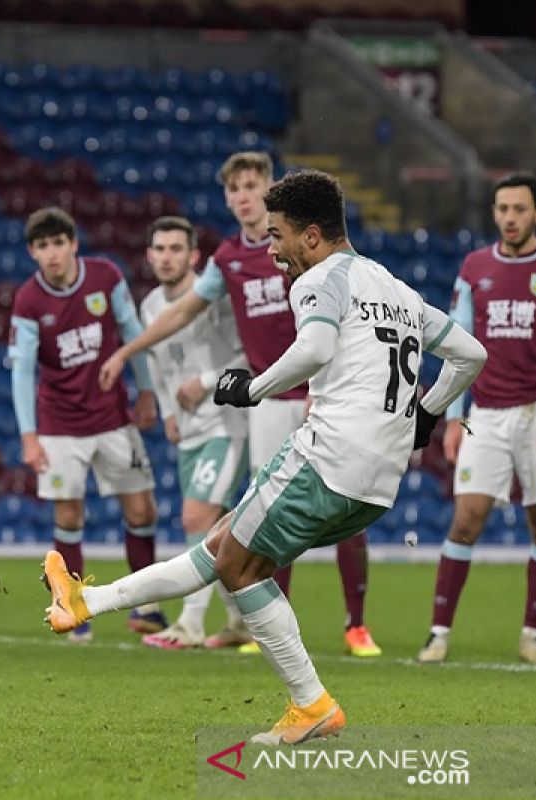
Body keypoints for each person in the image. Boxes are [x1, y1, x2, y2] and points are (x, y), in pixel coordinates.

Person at [43, 169, 487, 745]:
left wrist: (250, 388)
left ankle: (311, 703)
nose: (270, 249)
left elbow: (316, 347)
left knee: (237, 565)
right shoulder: (395, 289)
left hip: (327, 456)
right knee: (222, 546)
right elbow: (470, 353)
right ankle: (86, 601)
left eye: (276, 235)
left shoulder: (319, 279)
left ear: (311, 235)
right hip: (378, 483)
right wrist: (427, 414)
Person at [99, 152, 381, 658]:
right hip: (270, 397)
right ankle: (268, 627)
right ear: (227, 198)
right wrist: (129, 349)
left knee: (346, 511)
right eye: (235, 188)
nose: (245, 195)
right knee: (273, 514)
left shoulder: (303, 248)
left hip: (328, 391)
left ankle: (355, 625)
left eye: (253, 184)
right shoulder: (228, 259)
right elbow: (183, 310)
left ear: (270, 188)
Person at [417, 172, 536, 665]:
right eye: (502, 209)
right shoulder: (475, 268)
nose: (510, 218)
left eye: (519, 209)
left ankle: (531, 636)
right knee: (467, 517)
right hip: (486, 414)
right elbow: (457, 346)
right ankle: (439, 634)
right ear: (494, 213)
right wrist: (454, 416)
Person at [9, 206, 164, 644]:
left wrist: (147, 391)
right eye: (43, 246)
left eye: (59, 243)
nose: (52, 253)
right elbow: (22, 371)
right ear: (32, 253)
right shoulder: (28, 300)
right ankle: (74, 605)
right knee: (69, 514)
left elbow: (133, 331)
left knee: (142, 510)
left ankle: (146, 606)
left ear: (73, 244)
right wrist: (29, 437)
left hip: (114, 420)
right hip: (60, 427)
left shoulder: (105, 277)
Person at [136, 216, 251, 650]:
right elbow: (159, 365)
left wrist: (204, 382)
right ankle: (240, 621)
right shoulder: (150, 307)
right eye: (160, 249)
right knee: (213, 529)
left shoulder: (216, 298)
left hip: (228, 423)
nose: (167, 258)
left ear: (193, 256)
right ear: (150, 256)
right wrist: (168, 409)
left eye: (175, 249)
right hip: (189, 429)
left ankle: (190, 623)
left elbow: (251, 355)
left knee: (195, 518)